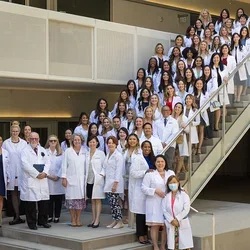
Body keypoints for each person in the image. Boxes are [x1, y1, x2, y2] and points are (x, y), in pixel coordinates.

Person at [141, 155, 175, 250]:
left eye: (162, 161)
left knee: (165, 225)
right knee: (155, 225)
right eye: (158, 162)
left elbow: (176, 184)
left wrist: (182, 190)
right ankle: (155, 246)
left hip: (167, 202)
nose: (160, 164)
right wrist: (155, 190)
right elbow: (143, 188)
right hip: (154, 202)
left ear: (165, 163)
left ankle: (163, 245)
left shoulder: (170, 173)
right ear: (155, 163)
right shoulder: (150, 174)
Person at [20, 132, 51, 230]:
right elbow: (24, 164)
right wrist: (36, 174)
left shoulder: (42, 150)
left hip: (42, 179)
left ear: (39, 139)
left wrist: (45, 173)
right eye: (32, 139)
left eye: (36, 139)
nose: (34, 140)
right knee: (31, 203)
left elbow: (48, 162)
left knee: (44, 201)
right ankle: (32, 223)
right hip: (32, 178)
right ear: (29, 139)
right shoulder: (25, 151)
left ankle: (43, 221)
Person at [3, 125, 27, 225]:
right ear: (10, 131)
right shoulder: (6, 143)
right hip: (11, 172)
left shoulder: (24, 143)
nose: (15, 133)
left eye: (16, 131)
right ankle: (17, 216)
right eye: (13, 131)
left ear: (19, 132)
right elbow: (4, 157)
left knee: (21, 193)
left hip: (22, 172)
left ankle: (18, 215)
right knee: (13, 193)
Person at [61, 133, 87, 227]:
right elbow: (64, 165)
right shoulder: (68, 151)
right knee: (71, 201)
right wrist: (64, 178)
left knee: (80, 201)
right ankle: (73, 219)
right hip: (70, 179)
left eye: (78, 140)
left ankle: (78, 219)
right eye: (75, 140)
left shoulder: (85, 151)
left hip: (81, 180)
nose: (77, 141)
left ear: (81, 141)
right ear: (72, 141)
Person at [162, 175, 193, 250]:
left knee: (185, 245)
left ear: (178, 183)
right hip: (171, 223)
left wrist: (177, 219)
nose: (173, 184)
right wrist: (171, 220)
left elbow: (186, 209)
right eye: (171, 183)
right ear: (168, 185)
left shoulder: (184, 195)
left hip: (181, 222)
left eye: (174, 182)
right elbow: (164, 210)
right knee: (173, 245)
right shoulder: (166, 196)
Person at [129, 145, 152, 244]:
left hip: (150, 189)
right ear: (142, 148)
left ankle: (146, 234)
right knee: (140, 213)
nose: (147, 149)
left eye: (149, 147)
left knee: (147, 213)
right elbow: (133, 173)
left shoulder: (152, 158)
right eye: (145, 147)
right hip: (140, 188)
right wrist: (145, 172)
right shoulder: (138, 159)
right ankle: (140, 234)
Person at [100, 136, 124, 229]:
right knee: (111, 203)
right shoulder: (108, 154)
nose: (110, 144)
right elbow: (105, 167)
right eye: (109, 143)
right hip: (108, 182)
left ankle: (120, 221)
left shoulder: (118, 155)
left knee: (115, 203)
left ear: (115, 144)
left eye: (112, 143)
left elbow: (118, 171)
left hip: (115, 183)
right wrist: (101, 174)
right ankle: (115, 220)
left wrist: (115, 184)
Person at [86, 135, 105, 228]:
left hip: (98, 179)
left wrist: (101, 174)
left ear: (97, 143)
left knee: (98, 200)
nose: (92, 144)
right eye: (90, 142)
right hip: (89, 179)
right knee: (92, 200)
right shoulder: (86, 153)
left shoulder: (101, 153)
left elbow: (104, 166)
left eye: (94, 142)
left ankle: (97, 220)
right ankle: (93, 219)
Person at [45, 135, 64, 223]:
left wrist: (58, 176)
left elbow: (63, 166)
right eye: (51, 141)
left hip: (58, 179)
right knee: (49, 199)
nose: (53, 142)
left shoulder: (61, 153)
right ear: (48, 142)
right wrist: (48, 175)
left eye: (54, 141)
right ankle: (49, 216)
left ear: (57, 142)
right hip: (48, 178)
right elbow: (43, 165)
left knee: (58, 199)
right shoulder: (44, 152)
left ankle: (57, 216)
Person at [123, 134, 141, 224]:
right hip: (125, 175)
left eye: (134, 139)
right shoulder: (125, 150)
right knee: (127, 197)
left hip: (135, 176)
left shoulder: (140, 151)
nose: (132, 141)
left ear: (137, 140)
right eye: (130, 139)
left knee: (134, 196)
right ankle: (128, 216)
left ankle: (134, 217)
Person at [155, 106, 179, 171]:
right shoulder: (157, 122)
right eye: (164, 110)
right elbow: (155, 133)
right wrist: (160, 143)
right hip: (159, 145)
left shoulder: (174, 121)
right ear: (161, 112)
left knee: (169, 163)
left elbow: (174, 134)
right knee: (159, 163)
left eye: (167, 110)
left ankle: (169, 179)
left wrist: (166, 143)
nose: (166, 112)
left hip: (170, 145)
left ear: (170, 111)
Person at [210, 53, 229, 131]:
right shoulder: (210, 68)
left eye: (217, 57)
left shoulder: (224, 67)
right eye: (214, 58)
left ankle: (221, 123)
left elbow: (227, 77)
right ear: (212, 59)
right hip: (214, 92)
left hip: (222, 90)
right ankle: (216, 125)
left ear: (220, 59)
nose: (216, 59)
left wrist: (225, 78)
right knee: (217, 108)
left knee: (223, 107)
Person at [172, 103, 189, 175]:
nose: (177, 108)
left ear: (182, 109)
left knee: (180, 156)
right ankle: (173, 172)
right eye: (176, 107)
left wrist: (184, 127)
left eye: (179, 107)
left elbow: (188, 130)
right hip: (172, 139)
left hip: (180, 139)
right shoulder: (171, 117)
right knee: (173, 157)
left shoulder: (184, 118)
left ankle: (177, 173)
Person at [193, 79, 210, 154]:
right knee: (195, 131)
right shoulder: (193, 93)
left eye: (200, 84)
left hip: (202, 114)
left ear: (203, 85)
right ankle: (195, 146)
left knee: (201, 131)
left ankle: (199, 148)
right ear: (195, 85)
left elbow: (208, 104)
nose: (199, 85)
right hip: (194, 115)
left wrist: (200, 110)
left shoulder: (206, 93)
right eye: (197, 84)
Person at [230, 33, 248, 102]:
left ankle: (238, 97)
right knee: (234, 83)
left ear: (239, 38)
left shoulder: (242, 47)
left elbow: (245, 57)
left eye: (237, 37)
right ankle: (235, 97)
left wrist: (240, 63)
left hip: (240, 67)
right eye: (234, 37)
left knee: (240, 83)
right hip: (233, 68)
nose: (235, 38)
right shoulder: (231, 47)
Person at [0, 136, 10, 227]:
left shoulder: (5, 152)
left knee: (1, 198)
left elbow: (8, 167)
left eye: (0, 140)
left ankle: (0, 219)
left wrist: (8, 178)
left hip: (2, 178)